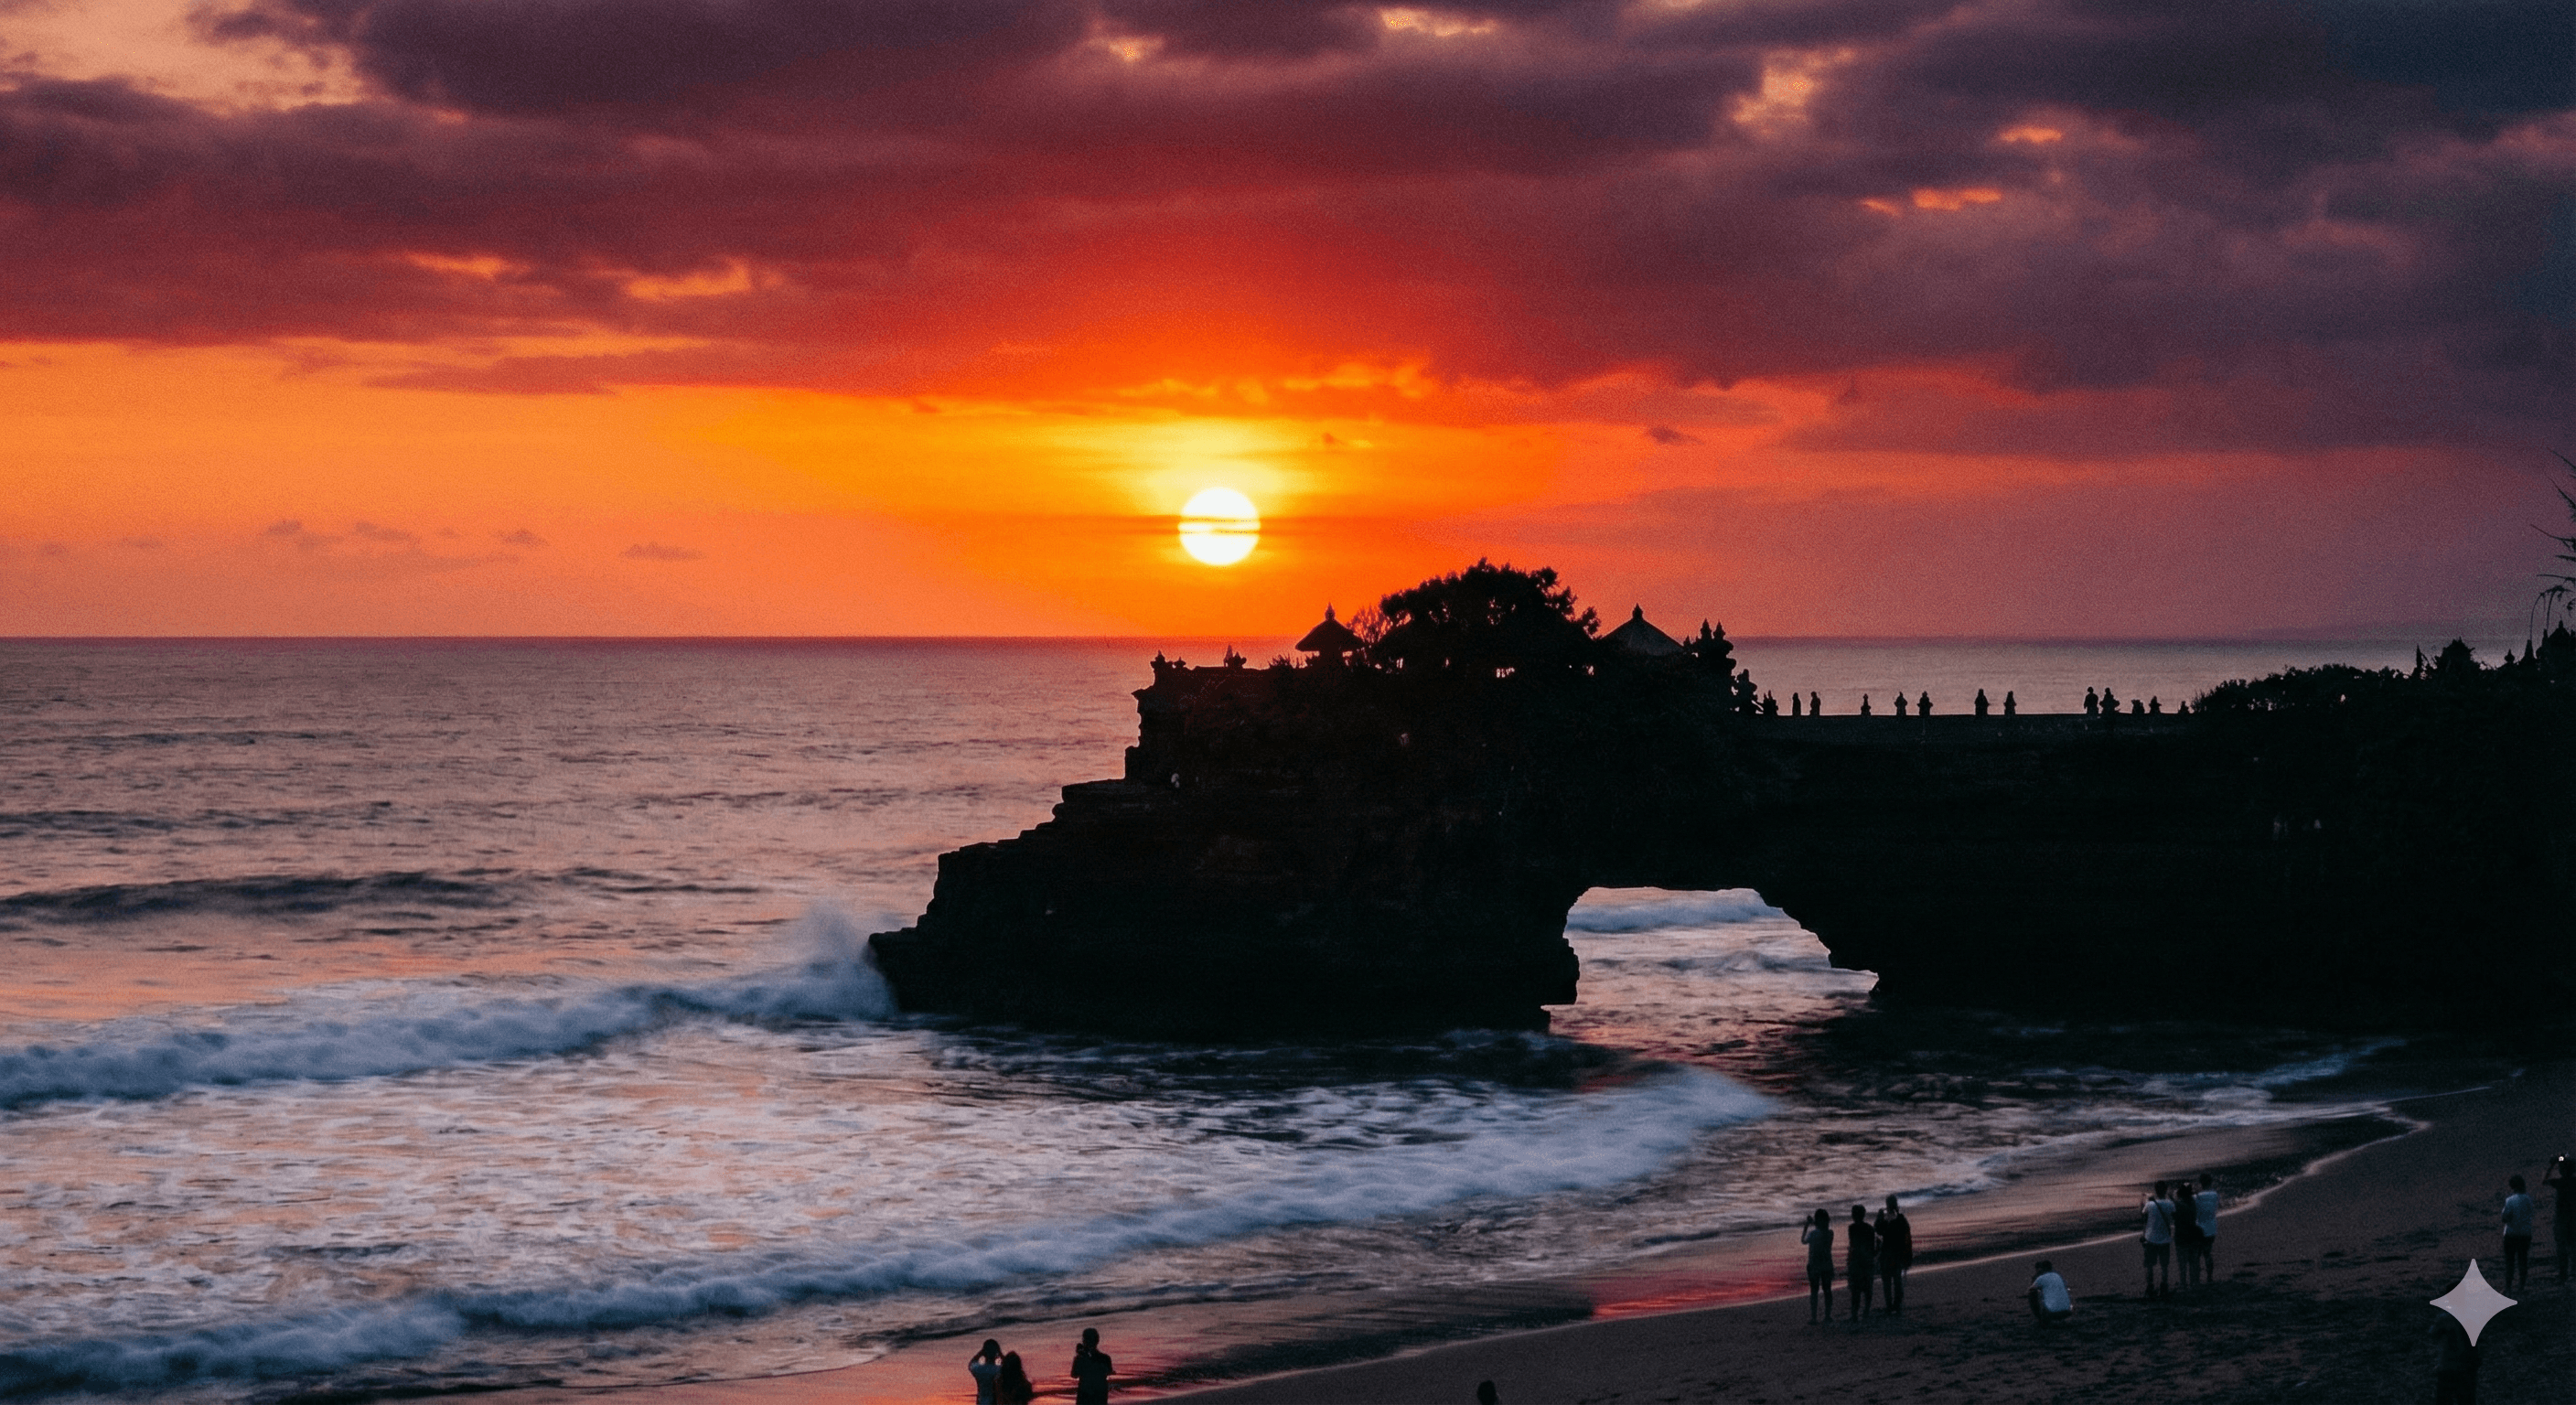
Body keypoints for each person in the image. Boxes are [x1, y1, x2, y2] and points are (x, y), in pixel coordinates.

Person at [2430, 1312, 2479, 1403]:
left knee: (2445, 1398)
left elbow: (2433, 1334)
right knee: (2466, 1399)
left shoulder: (2445, 1318)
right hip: (2464, 1366)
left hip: (2448, 1365)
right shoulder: (2470, 1319)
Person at [1877, 1194, 1913, 1315]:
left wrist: (1879, 1217)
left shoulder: (1889, 1219)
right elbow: (1907, 1236)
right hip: (1896, 1254)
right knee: (1896, 1281)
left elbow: (1878, 1230)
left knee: (1888, 1282)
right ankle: (1896, 1306)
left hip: (1888, 1254)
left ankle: (1890, 1306)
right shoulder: (1900, 1218)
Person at [2141, 1181, 2175, 1298]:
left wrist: (2143, 1202)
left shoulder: (2150, 1204)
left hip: (2150, 1238)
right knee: (2164, 1265)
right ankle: (2163, 1285)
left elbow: (2143, 1216)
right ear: (2165, 1190)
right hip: (2165, 1238)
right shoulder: (2169, 1204)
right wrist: (2172, 1197)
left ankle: (2150, 1286)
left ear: (2155, 1191)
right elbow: (2174, 1214)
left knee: (2149, 1264)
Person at [2503, 1174, 2536, 1292]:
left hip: (2511, 1234)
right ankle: (2521, 1286)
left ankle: (2508, 1287)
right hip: (2525, 1234)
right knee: (2523, 1260)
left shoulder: (2510, 1200)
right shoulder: (2528, 1199)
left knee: (2510, 1261)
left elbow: (2505, 1218)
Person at [1802, 1207, 1836, 1322]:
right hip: (1827, 1264)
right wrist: (1814, 1223)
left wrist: (1807, 1225)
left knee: (1814, 1292)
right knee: (1827, 1291)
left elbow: (1803, 1240)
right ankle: (1827, 1316)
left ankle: (1814, 1317)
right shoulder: (1830, 1233)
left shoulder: (1813, 1234)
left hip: (1814, 1265)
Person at [2545, 1155, 2574, 1283]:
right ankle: (2573, 1273)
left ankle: (2564, 1274)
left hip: (2562, 1218)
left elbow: (2545, 1180)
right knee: (2573, 1246)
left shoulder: (2560, 1182)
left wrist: (2553, 1164)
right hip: (2574, 1217)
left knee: (2561, 1247)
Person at [2172, 1175, 2205, 1290]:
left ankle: (2184, 1283)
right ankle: (2195, 1282)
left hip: (2181, 1236)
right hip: (2193, 1234)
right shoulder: (2194, 1202)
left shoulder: (2178, 1205)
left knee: (2182, 1264)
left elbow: (2173, 1215)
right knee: (2194, 1262)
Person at [1847, 1204, 1877, 1323]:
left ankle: (1855, 1314)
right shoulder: (1870, 1228)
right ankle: (1866, 1311)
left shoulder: (1852, 1228)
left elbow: (1853, 1245)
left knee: (1856, 1290)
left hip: (1856, 1261)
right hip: (1867, 1260)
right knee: (1867, 1288)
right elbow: (1871, 1248)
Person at [1071, 1328, 1113, 1405]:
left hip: (1086, 1394)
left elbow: (1074, 1374)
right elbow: (1109, 1372)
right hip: (1099, 1394)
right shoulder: (1105, 1358)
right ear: (1097, 1340)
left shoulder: (1080, 1358)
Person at [2193, 1174, 2220, 1282]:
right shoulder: (2215, 1195)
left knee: (2197, 1255)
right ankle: (2209, 1276)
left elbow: (2194, 1210)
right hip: (2211, 1227)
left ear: (2201, 1183)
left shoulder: (2196, 1197)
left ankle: (2197, 1278)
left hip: (2199, 1227)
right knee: (2208, 1253)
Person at [2028, 1260, 2073, 1325]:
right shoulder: (2057, 1275)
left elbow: (2031, 1290)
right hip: (2068, 1312)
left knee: (2033, 1295)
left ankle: (2041, 1319)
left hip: (2052, 1314)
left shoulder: (2041, 1278)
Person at [970, 1339, 1003, 1405]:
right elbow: (1008, 1365)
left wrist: (981, 1353)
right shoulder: (999, 1369)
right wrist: (1000, 1354)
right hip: (995, 1402)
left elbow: (971, 1364)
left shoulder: (979, 1369)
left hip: (981, 1401)